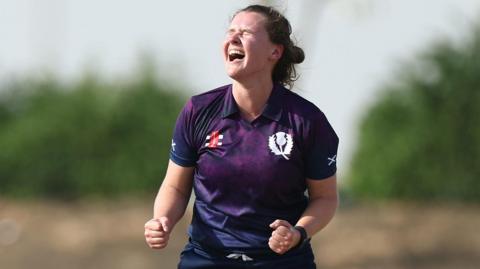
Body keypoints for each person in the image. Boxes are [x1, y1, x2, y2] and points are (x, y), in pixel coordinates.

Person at [144, 4, 339, 269]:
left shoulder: (307, 121)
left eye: (245, 32)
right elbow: (176, 187)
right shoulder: (198, 111)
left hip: (281, 262)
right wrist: (162, 219)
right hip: (207, 259)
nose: (233, 38)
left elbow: (325, 199)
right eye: (230, 31)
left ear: (275, 51)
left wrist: (298, 233)